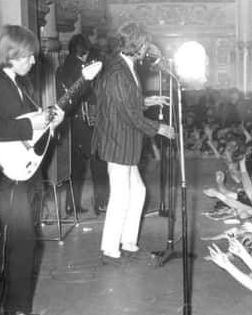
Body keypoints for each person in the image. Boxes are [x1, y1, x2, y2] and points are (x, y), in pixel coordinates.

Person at [0, 25, 64, 315]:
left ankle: (7, 306)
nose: (34, 62)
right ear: (12, 54)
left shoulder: (13, 82)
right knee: (21, 242)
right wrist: (31, 125)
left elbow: (29, 123)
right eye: (29, 56)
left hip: (19, 172)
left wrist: (50, 119)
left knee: (17, 242)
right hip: (5, 175)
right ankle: (17, 310)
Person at [91, 21, 174, 264]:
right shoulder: (118, 71)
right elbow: (127, 113)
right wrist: (158, 127)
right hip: (118, 140)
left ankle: (127, 241)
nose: (147, 48)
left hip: (125, 139)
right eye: (145, 43)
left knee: (137, 192)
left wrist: (147, 101)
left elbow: (126, 102)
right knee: (121, 196)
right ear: (136, 45)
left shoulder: (124, 66)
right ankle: (109, 248)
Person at [56, 33, 109, 216]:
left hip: (69, 124)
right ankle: (101, 203)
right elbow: (91, 96)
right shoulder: (85, 69)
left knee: (76, 167)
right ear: (84, 52)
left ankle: (72, 205)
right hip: (87, 123)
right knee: (99, 162)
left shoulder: (60, 69)